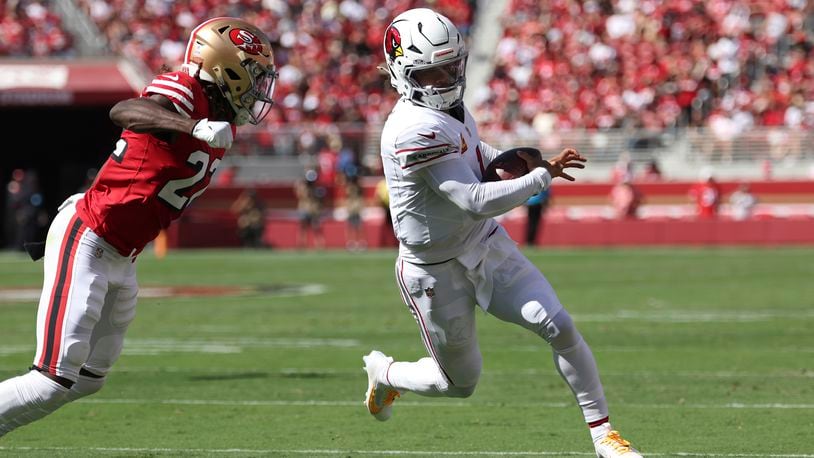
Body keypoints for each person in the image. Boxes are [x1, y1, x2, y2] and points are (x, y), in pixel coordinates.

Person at [362, 8, 640, 458]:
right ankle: (387, 374)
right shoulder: (410, 129)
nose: (446, 77)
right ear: (402, 73)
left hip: (483, 243)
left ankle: (605, 436)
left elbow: (477, 150)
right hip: (434, 269)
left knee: (558, 324)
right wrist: (540, 177)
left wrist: (518, 159)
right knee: (458, 383)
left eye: (451, 66)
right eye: (432, 72)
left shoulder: (447, 109)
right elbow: (473, 198)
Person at [0, 17, 277, 437]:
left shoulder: (225, 118)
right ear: (226, 68)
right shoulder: (185, 90)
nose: (258, 89)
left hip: (124, 254)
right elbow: (125, 110)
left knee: (89, 380)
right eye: (254, 76)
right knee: (51, 379)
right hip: (90, 234)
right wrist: (192, 126)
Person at [294, 169, 325, 249]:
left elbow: (319, 200)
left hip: (313, 210)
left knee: (316, 227)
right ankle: (302, 244)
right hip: (304, 208)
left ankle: (319, 245)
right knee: (303, 228)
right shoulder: (303, 187)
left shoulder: (317, 188)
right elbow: (299, 195)